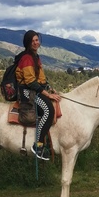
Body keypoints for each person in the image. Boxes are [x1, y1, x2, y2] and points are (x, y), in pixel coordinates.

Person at [16, 30, 61, 160]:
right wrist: (47, 94)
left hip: (35, 90)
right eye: (33, 41)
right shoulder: (27, 59)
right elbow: (30, 81)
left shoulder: (36, 57)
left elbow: (40, 79)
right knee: (48, 110)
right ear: (28, 44)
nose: (36, 43)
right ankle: (38, 145)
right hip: (27, 92)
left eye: (37, 40)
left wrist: (49, 89)